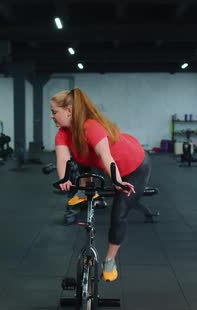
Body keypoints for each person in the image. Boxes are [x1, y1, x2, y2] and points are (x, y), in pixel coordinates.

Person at [50, 87, 151, 282]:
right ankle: (85, 191)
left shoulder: (91, 127)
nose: (52, 117)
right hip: (102, 166)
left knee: (118, 213)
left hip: (134, 166)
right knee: (80, 160)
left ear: (69, 110)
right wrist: (64, 180)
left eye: (55, 112)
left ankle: (110, 261)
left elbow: (107, 157)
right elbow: (62, 158)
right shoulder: (63, 133)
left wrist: (117, 181)